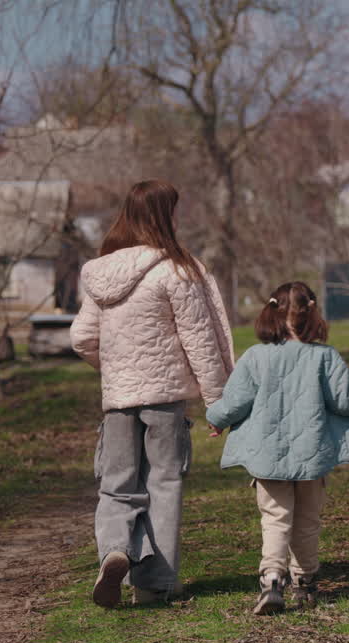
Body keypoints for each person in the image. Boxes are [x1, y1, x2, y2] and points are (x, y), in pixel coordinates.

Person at [70, 179, 234, 608]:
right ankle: (153, 584)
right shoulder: (177, 270)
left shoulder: (100, 272)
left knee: (117, 486)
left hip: (118, 400)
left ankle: (116, 551)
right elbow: (199, 341)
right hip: (165, 401)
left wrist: (116, 372)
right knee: (163, 485)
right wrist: (218, 404)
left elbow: (82, 338)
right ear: (165, 216)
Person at [206, 281, 349, 615]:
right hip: (312, 455)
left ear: (270, 313)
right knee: (307, 521)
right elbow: (346, 401)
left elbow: (235, 402)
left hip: (267, 457)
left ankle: (272, 578)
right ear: (314, 314)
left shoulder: (256, 357)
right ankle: (304, 582)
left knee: (275, 518)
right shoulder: (325, 357)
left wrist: (215, 418)